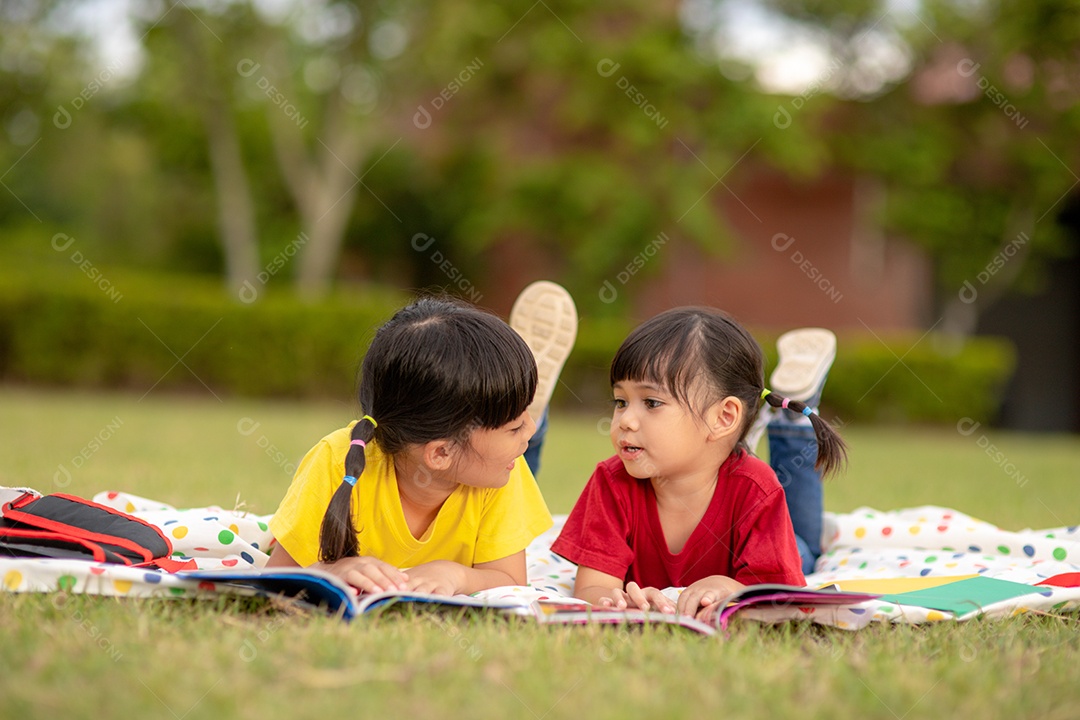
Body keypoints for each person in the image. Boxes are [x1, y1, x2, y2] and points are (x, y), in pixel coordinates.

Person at [551, 307, 845, 619]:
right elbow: (591, 588)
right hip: (724, 457)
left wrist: (731, 588)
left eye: (651, 403)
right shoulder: (611, 482)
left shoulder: (757, 488)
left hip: (776, 528)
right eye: (620, 401)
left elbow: (781, 597)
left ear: (723, 417)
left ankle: (794, 421)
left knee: (804, 551)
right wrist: (622, 601)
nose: (626, 421)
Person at [266, 296, 553, 596]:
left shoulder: (500, 470)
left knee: (526, 458)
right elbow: (275, 581)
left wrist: (458, 576)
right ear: (440, 453)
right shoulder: (336, 461)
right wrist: (329, 571)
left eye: (526, 420)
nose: (527, 431)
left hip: (481, 458)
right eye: (515, 427)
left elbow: (511, 582)